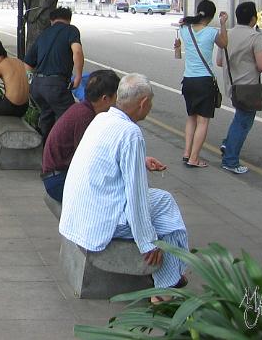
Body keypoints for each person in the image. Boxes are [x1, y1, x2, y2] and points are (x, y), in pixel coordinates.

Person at [60, 74, 183, 299]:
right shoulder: (131, 133)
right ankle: (166, 286)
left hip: (75, 216)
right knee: (166, 209)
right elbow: (136, 195)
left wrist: (141, 161)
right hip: (97, 226)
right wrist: (147, 243)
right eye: (151, 103)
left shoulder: (102, 119)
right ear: (143, 103)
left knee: (162, 209)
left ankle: (173, 273)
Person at [41, 69, 120, 201]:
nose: (118, 102)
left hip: (58, 175)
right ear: (105, 98)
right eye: (117, 96)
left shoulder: (84, 108)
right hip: (58, 181)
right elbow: (89, 159)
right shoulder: (85, 117)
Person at [215, 1, 262, 174]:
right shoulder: (255, 37)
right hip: (248, 88)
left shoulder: (226, 34)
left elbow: (219, 61)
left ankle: (227, 144)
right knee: (243, 123)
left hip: (232, 85)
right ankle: (230, 161)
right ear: (254, 18)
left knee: (239, 118)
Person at [173, 0, 228, 168]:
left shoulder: (185, 29)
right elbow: (224, 44)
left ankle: (187, 153)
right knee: (203, 121)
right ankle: (194, 159)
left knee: (191, 119)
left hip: (188, 81)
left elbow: (178, 50)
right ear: (211, 17)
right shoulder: (211, 32)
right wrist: (223, 24)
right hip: (204, 82)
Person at [24, 7, 84, 136]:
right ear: (69, 19)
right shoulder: (71, 30)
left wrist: (31, 82)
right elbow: (77, 51)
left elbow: (28, 63)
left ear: (52, 20)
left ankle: (46, 149)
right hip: (55, 86)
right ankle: (69, 152)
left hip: (37, 86)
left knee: (47, 116)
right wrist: (78, 76)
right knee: (71, 119)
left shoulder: (44, 34)